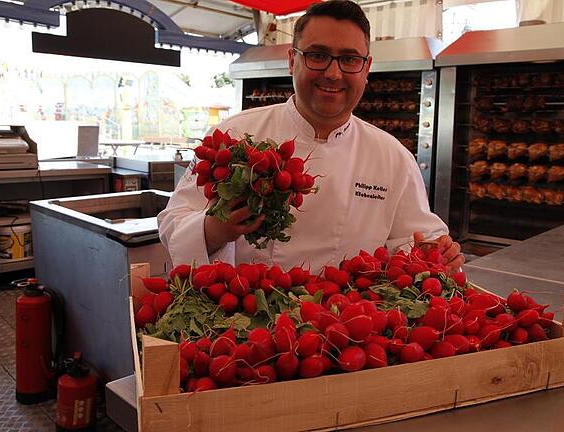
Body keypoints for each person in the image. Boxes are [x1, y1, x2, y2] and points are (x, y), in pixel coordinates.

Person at [158, 0, 463, 272]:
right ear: (292, 60)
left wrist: (435, 252)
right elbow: (174, 224)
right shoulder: (234, 135)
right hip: (247, 322)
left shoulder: (393, 157)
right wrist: (214, 229)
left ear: (366, 68)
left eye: (350, 59)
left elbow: (412, 242)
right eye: (318, 55)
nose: (333, 73)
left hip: (348, 325)